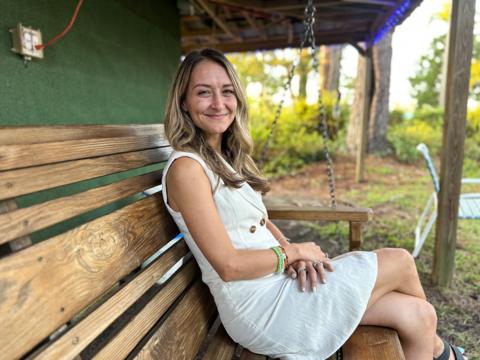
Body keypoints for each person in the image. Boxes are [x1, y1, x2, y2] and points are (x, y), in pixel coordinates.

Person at [161, 48, 465, 360]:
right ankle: (445, 355)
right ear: (184, 102)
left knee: (418, 316)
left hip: (280, 282)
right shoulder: (187, 169)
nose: (218, 103)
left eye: (226, 91)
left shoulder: (223, 158)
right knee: (400, 260)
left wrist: (291, 255)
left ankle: (441, 353)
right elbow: (228, 265)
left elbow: (261, 223)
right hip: (261, 307)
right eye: (203, 93)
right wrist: (293, 252)